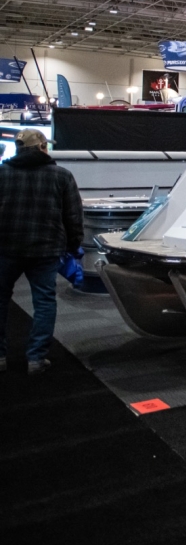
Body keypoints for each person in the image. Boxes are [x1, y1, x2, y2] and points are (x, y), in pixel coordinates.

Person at [0, 129, 83, 375]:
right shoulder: (61, 176)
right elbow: (73, 216)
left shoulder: (2, 174)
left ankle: (0, 356)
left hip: (5, 247)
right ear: (41, 148)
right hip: (46, 249)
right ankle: (36, 358)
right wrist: (73, 245)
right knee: (44, 302)